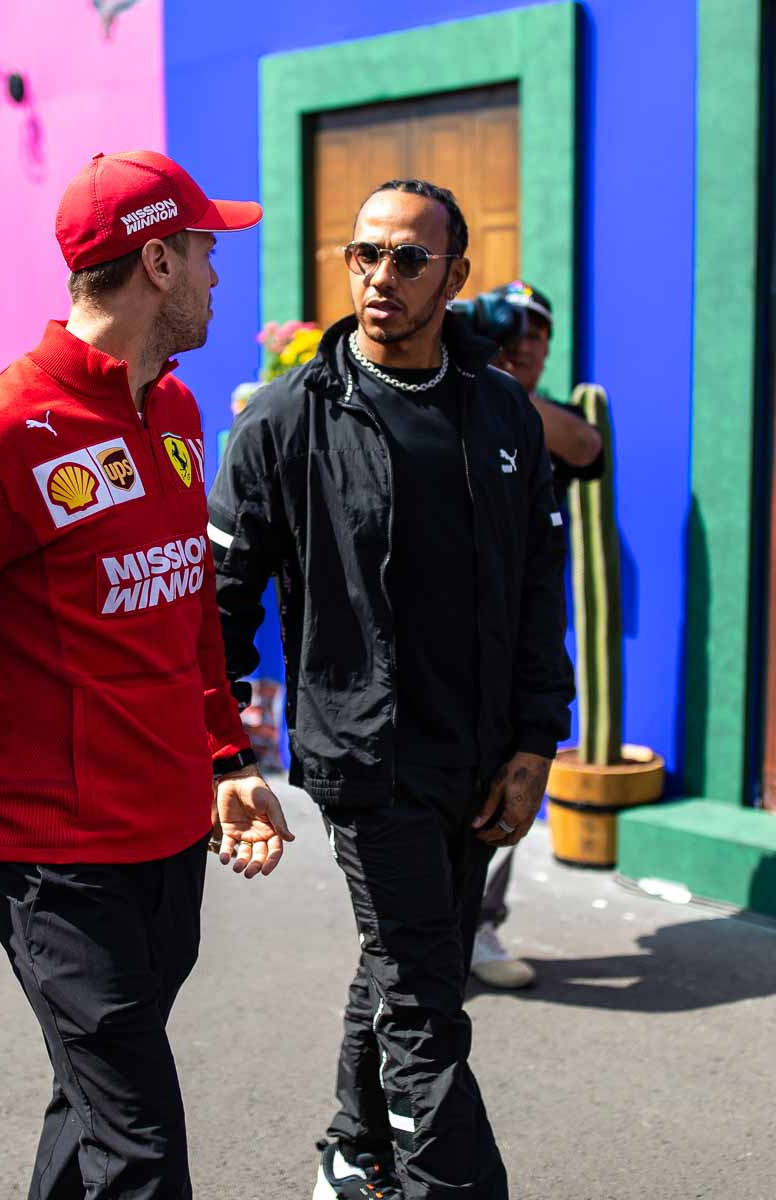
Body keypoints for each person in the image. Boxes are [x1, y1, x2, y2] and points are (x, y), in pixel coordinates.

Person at [0, 149, 294, 1200]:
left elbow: (186, 614)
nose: (221, 275)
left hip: (172, 843)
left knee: (91, 1113)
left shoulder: (170, 413)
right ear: (158, 263)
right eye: (208, 252)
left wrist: (225, 756)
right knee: (142, 1153)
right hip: (57, 868)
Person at [207, 179, 574, 1199]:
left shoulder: (501, 414)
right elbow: (218, 608)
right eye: (364, 255)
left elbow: (541, 591)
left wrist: (536, 742)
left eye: (409, 259)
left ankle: (350, 1151)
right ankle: (441, 1184)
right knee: (423, 1002)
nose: (380, 277)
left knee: (406, 961)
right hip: (366, 755)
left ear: (454, 278)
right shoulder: (287, 421)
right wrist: (223, 755)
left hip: (483, 753)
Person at [471, 279, 604, 990]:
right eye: (512, 327)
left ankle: (478, 924)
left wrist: (497, 386)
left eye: (539, 332)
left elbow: (586, 446)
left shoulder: (530, 411)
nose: (525, 340)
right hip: (446, 626)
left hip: (522, 629)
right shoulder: (449, 393)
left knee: (511, 772)